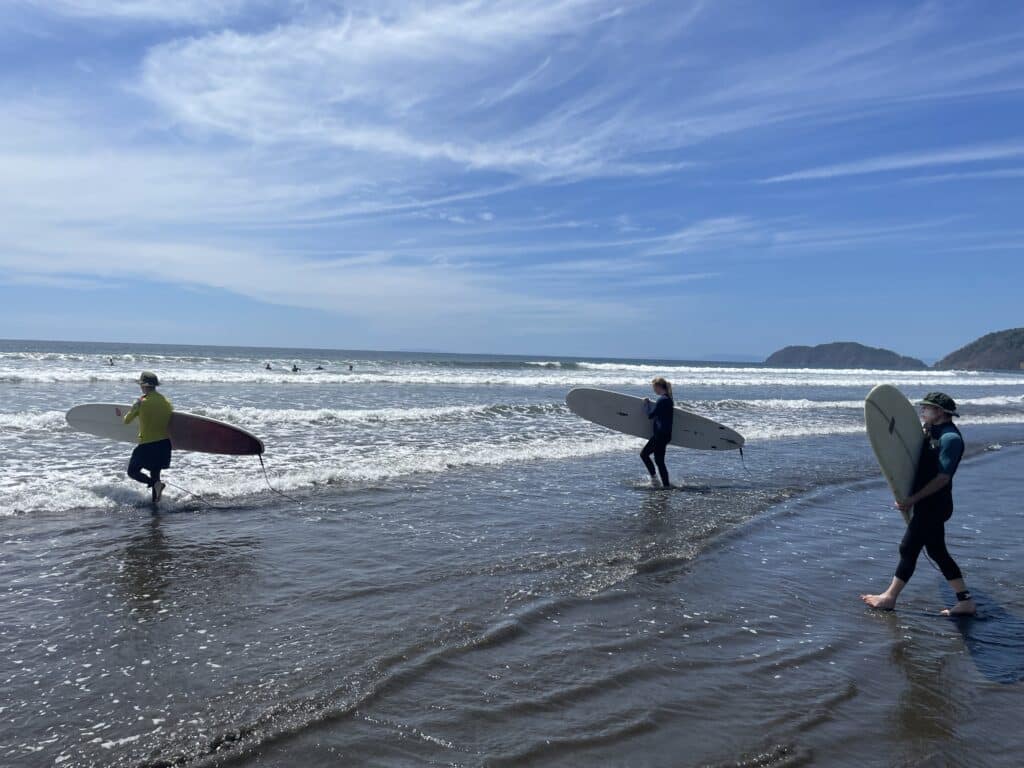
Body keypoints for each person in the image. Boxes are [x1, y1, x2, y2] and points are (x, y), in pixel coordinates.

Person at [861, 392, 975, 615]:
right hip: (926, 503)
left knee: (908, 548)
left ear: (940, 412)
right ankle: (966, 601)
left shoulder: (951, 439)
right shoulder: (930, 431)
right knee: (937, 551)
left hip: (935, 505)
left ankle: (889, 597)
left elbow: (943, 478)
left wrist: (911, 499)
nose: (922, 411)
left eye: (927, 408)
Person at [120, 371, 173, 503]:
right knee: (156, 474)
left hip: (147, 444)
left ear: (143, 385)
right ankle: (156, 505)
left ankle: (154, 484)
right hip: (164, 445)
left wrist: (135, 405)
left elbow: (126, 420)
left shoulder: (142, 402)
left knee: (132, 471)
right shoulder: (166, 402)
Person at [641, 377, 674, 488]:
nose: (653, 390)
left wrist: (646, 404)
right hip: (666, 435)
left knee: (644, 454)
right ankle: (666, 485)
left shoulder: (662, 400)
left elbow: (650, 415)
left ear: (659, 386)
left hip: (660, 435)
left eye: (654, 387)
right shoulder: (669, 399)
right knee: (659, 461)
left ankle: (655, 480)